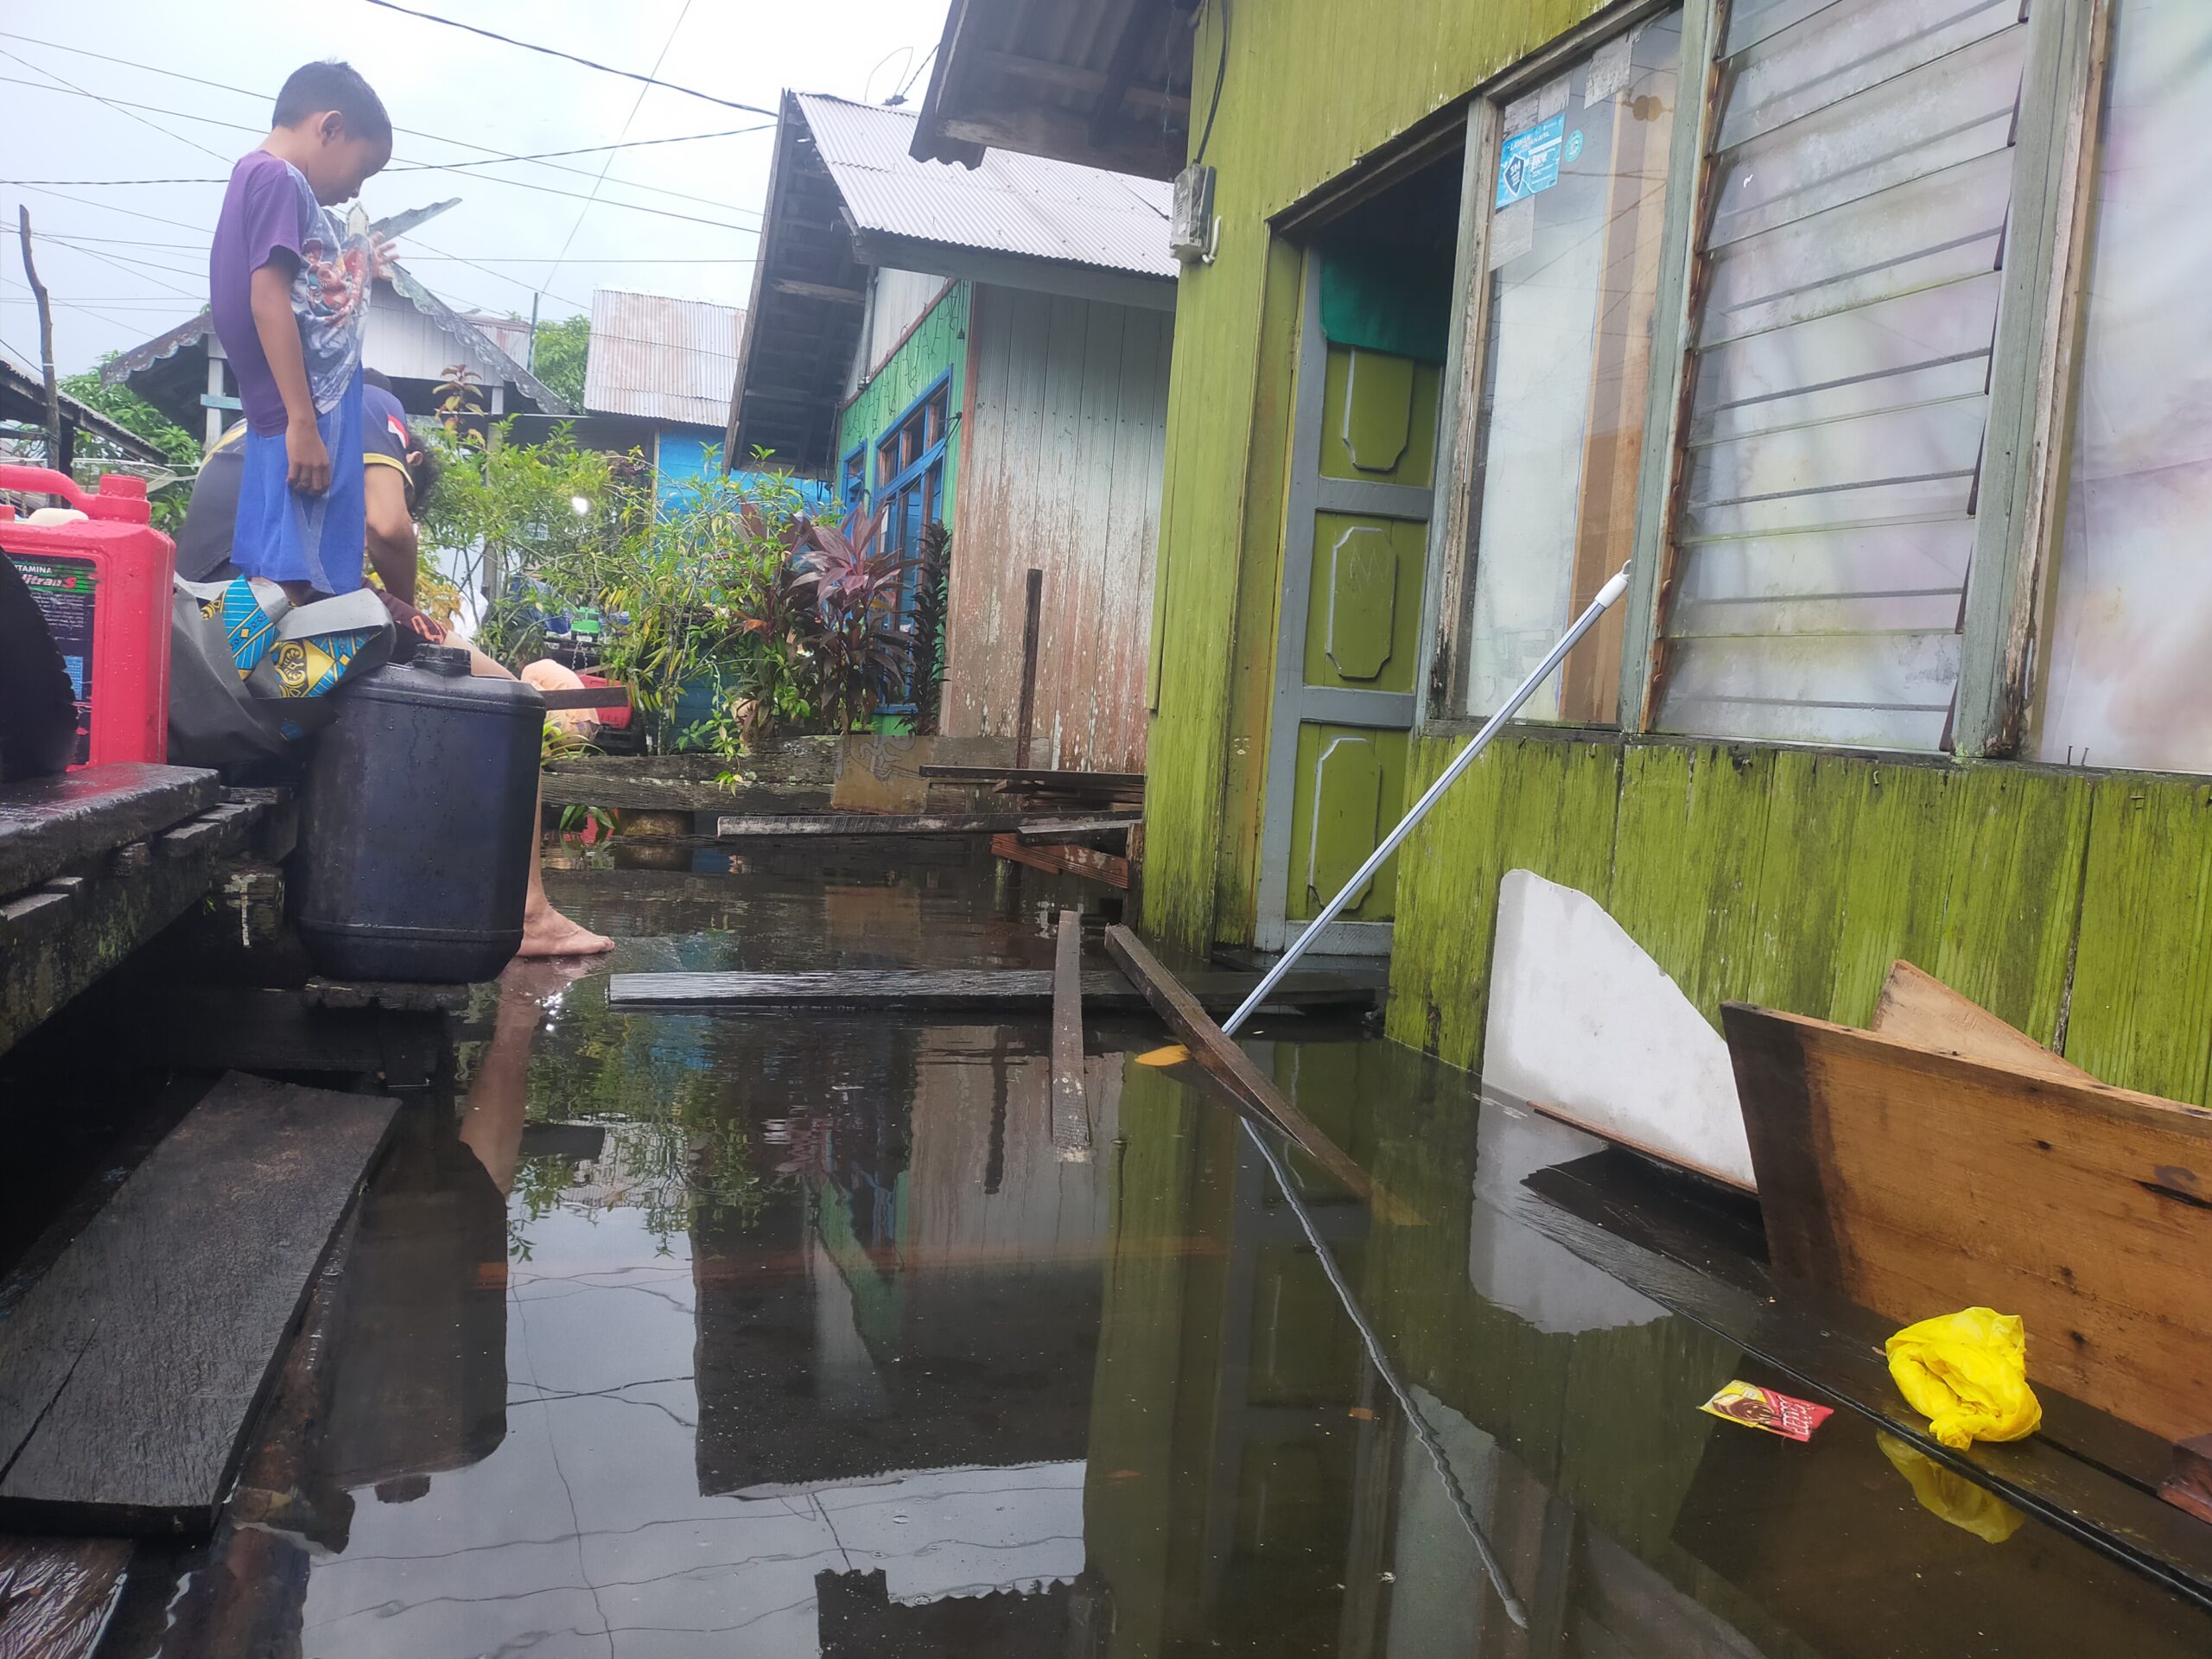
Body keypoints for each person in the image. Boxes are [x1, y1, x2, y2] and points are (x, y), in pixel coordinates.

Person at [207, 60, 391, 601]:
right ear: (329, 127)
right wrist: (303, 422)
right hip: (310, 404)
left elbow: (303, 285)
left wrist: (357, 266)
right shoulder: (280, 179)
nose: (356, 187)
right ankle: (255, 678)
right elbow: (267, 301)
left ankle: (236, 675)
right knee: (298, 581)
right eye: (362, 168)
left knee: (277, 574)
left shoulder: (254, 176)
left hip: (281, 410)